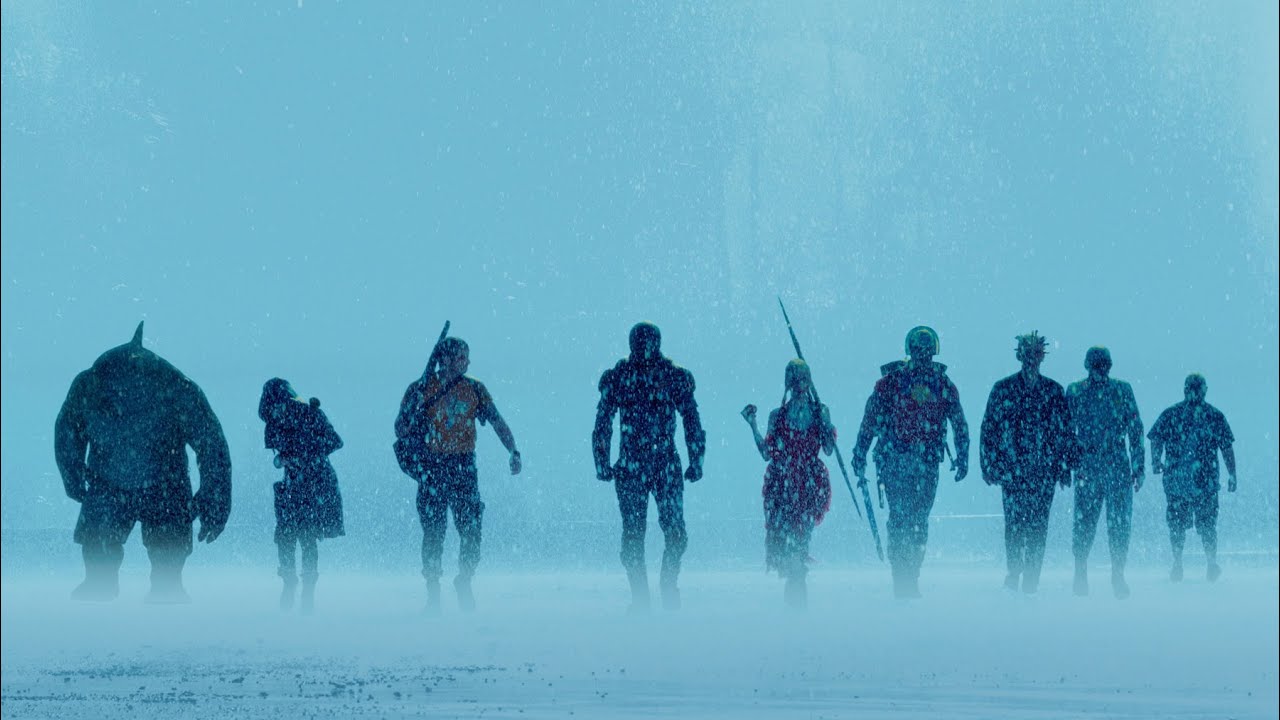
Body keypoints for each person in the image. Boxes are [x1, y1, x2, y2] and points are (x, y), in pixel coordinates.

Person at [54, 323, 231, 603]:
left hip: (132, 482)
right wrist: (215, 494)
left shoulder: (93, 384)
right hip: (153, 484)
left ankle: (123, 587)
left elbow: (67, 431)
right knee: (156, 561)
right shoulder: (175, 385)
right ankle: (152, 588)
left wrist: (72, 472)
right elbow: (212, 443)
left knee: (113, 557)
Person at [394, 336, 521, 613]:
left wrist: (513, 450)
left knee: (471, 529)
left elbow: (497, 421)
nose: (468, 362)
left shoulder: (475, 389)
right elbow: (400, 429)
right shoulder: (420, 387)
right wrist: (414, 406)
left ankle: (465, 579)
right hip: (431, 468)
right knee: (433, 532)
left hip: (463, 467)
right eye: (462, 357)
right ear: (446, 359)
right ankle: (433, 592)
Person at [593, 322, 706, 612]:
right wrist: (601, 460)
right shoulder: (620, 376)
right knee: (634, 536)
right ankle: (642, 599)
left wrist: (696, 459)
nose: (643, 348)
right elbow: (603, 421)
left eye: (647, 342)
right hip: (634, 465)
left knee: (675, 534)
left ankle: (666, 587)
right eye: (639, 342)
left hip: (662, 463)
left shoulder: (672, 375)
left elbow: (692, 419)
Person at [851, 326, 969, 599]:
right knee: (901, 519)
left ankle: (911, 574)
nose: (923, 356)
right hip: (896, 462)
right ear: (912, 351)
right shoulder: (891, 384)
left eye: (927, 352)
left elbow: (959, 423)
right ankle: (901, 576)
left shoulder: (942, 385)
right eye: (919, 351)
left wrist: (963, 455)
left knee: (918, 520)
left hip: (925, 463)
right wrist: (859, 453)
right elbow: (869, 421)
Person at [979, 332, 1076, 594]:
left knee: (1038, 525)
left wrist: (1065, 466)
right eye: (1028, 353)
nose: (1032, 359)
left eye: (1036, 353)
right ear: (1020, 355)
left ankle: (1031, 577)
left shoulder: (1053, 391)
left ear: (1041, 356)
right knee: (1014, 524)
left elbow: (1065, 432)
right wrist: (988, 464)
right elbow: (989, 428)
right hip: (1013, 470)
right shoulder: (1003, 389)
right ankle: (1014, 572)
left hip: (1043, 471)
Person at [742, 359, 835, 609]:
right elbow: (767, 453)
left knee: (799, 543)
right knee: (790, 546)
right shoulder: (778, 415)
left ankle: (796, 600)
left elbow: (828, 448)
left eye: (803, 380)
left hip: (807, 485)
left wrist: (827, 425)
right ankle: (796, 600)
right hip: (783, 486)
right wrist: (753, 425)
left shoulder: (819, 412)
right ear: (789, 384)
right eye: (796, 380)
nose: (800, 385)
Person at [259, 378, 345, 613]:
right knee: (285, 537)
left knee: (307, 537)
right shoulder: (274, 422)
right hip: (291, 484)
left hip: (314, 484)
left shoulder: (311, 414)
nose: (276, 412)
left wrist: (303, 452)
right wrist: (287, 458)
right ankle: (289, 582)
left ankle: (308, 590)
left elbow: (335, 441)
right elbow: (280, 451)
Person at [1066, 346, 1144, 599]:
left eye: (1104, 364)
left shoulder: (1122, 390)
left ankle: (1118, 572)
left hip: (1116, 464)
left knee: (1119, 524)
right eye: (1097, 364)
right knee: (1084, 523)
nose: (1101, 369)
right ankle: (1080, 569)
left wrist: (1138, 466)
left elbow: (1135, 429)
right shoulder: (1075, 391)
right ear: (1088, 366)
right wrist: (1068, 464)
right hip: (1088, 464)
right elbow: (1066, 432)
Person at [1148, 373, 1237, 583]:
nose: (1195, 393)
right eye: (1194, 389)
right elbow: (1226, 447)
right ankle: (1194, 563)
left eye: (1197, 389)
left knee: (1187, 525)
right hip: (1193, 482)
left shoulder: (1177, 414)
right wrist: (1155, 461)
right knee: (1197, 525)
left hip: (1189, 482)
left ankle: (1193, 563)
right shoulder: (1209, 415)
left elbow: (1226, 447)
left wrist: (1156, 461)